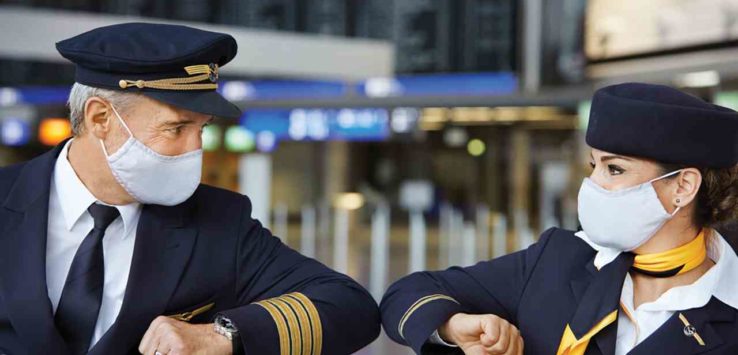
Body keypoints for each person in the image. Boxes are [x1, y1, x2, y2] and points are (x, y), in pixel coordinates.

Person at [0, 23, 380, 355]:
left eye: (202, 129)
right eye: (176, 128)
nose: (194, 148)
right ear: (100, 118)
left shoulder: (219, 223)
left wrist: (222, 336)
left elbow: (350, 307)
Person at [380, 83, 738, 355]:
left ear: (684, 186)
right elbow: (405, 294)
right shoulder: (561, 259)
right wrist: (454, 325)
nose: (593, 184)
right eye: (593, 165)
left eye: (615, 169)